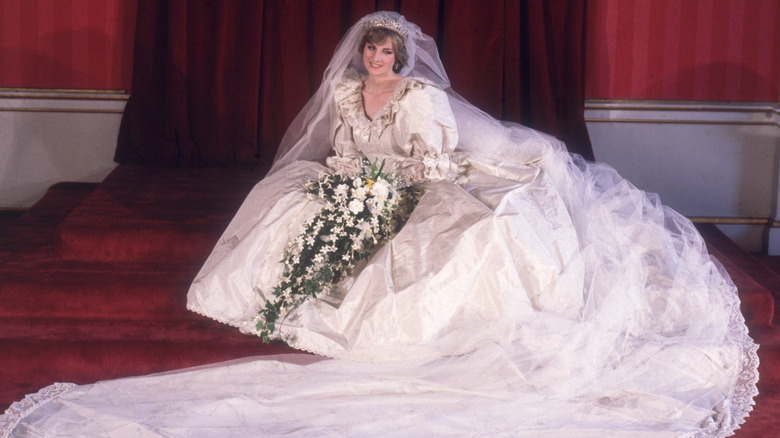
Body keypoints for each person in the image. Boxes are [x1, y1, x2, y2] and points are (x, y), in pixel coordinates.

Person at [1, 11, 758, 437]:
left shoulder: (421, 102)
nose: (379, 60)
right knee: (290, 200)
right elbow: (337, 150)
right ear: (362, 55)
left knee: (454, 239)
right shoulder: (343, 97)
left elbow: (431, 164)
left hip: (419, 180)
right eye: (371, 50)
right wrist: (346, 185)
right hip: (363, 182)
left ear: (403, 59)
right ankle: (276, 296)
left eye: (388, 52)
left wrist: (381, 190)